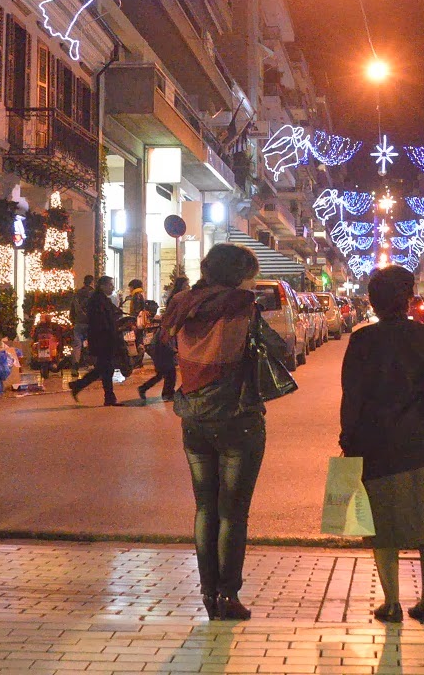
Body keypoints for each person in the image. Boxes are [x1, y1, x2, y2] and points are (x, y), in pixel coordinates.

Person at [160, 245, 293, 620]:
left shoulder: (184, 304)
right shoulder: (241, 306)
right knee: (233, 513)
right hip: (238, 419)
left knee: (205, 508)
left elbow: (165, 344)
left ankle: (207, 593)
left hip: (194, 419)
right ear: (237, 275)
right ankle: (228, 595)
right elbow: (279, 348)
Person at [340, 265, 424, 624]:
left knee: (384, 527)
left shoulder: (362, 341)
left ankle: (391, 602)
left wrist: (348, 439)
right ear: (409, 299)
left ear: (373, 302)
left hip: (377, 445)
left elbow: (352, 396)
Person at [70, 276, 128, 405]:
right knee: (105, 368)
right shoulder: (97, 300)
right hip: (103, 340)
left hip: (104, 339)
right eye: (110, 285)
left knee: (104, 369)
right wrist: (115, 329)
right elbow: (102, 322)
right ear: (102, 286)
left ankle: (81, 386)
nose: (112, 287)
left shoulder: (102, 299)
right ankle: (107, 397)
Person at [139, 276, 188, 402]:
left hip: (163, 341)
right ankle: (167, 394)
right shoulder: (177, 301)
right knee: (169, 371)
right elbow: (169, 331)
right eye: (186, 285)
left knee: (163, 372)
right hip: (163, 342)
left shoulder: (175, 302)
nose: (188, 287)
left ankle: (144, 388)